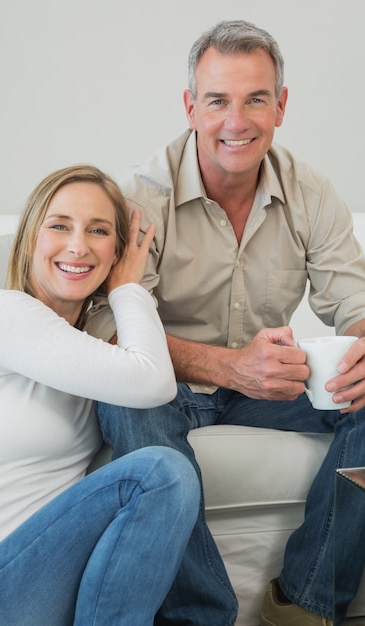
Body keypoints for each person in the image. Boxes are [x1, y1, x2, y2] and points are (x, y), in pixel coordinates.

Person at [86, 20, 365, 626]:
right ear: (191, 107)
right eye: (217, 100)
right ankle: (202, 615)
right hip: (167, 384)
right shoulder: (139, 197)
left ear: (281, 106)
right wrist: (230, 366)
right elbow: (108, 331)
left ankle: (304, 602)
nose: (236, 122)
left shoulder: (313, 193)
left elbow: (354, 302)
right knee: (124, 404)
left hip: (267, 387)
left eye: (256, 99)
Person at [0, 164, 200, 626]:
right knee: (160, 473)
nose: (79, 245)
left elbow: (146, 382)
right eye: (59, 225)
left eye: (98, 230)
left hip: (36, 584)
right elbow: (154, 380)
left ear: (115, 251)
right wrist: (128, 286)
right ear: (30, 239)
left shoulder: (89, 356)